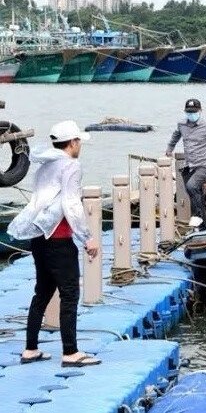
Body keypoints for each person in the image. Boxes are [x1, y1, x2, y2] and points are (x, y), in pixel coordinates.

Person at [8, 120, 101, 367]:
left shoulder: (45, 166)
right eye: (78, 141)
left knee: (42, 293)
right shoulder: (71, 166)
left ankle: (30, 349)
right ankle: (70, 352)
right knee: (70, 294)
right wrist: (87, 238)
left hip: (39, 237)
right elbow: (71, 204)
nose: (80, 144)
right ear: (72, 143)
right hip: (59, 240)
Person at [166, 98, 206, 231]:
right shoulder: (181, 124)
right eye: (188, 112)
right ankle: (203, 227)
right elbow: (175, 136)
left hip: (204, 165)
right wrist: (169, 150)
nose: (191, 114)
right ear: (185, 111)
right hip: (189, 166)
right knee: (195, 194)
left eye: (194, 111)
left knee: (191, 185)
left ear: (200, 111)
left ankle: (197, 216)